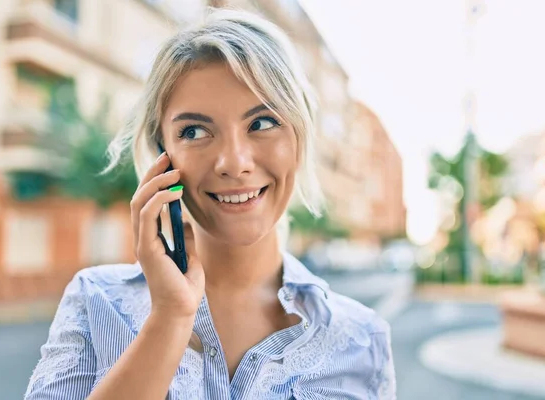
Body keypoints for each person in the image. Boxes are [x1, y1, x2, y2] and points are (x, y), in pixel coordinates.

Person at [24, 8, 396, 400]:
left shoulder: (361, 340)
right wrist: (169, 319)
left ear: (299, 138)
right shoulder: (96, 302)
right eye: (195, 131)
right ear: (161, 156)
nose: (234, 163)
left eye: (263, 123)